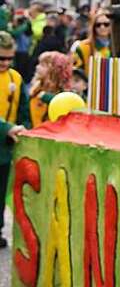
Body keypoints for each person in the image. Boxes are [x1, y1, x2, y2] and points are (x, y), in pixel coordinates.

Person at [0, 32, 28, 249]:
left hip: (5, 147)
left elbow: (23, 110)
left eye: (10, 58)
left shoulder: (16, 78)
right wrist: (7, 128)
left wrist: (25, 128)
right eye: (1, 58)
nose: (6, 63)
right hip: (4, 133)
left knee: (1, 192)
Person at [28, 51, 72, 127]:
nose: (37, 67)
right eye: (39, 63)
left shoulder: (63, 94)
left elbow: (62, 105)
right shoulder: (35, 88)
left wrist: (45, 96)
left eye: (43, 65)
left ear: (55, 70)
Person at [70, 9, 113, 75]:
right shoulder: (83, 46)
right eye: (98, 25)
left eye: (106, 24)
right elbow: (76, 71)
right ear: (94, 27)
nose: (102, 27)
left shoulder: (117, 47)